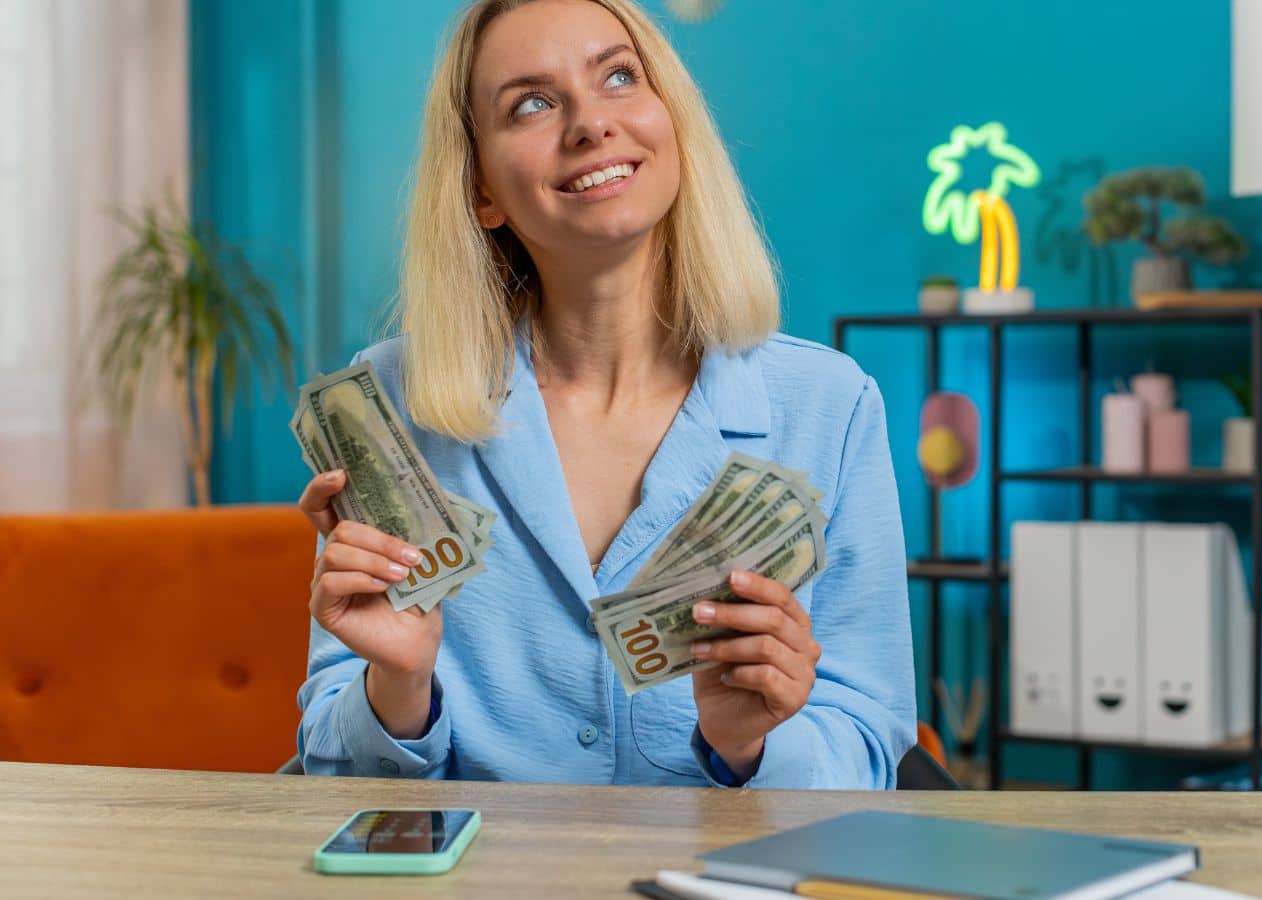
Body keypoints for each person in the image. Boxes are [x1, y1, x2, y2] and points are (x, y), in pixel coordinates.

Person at [293, 0, 915, 788]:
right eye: (532, 103)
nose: (591, 123)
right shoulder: (389, 404)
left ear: (672, 124)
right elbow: (337, 784)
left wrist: (752, 744)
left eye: (619, 76)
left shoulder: (830, 404)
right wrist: (399, 684)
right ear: (482, 190)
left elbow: (873, 754)